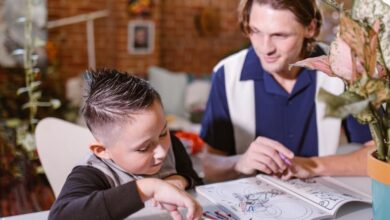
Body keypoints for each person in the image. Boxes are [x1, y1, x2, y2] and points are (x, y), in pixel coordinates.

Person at [200, 0, 374, 182]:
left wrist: (312, 165)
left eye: (280, 35)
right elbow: (210, 167)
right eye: (256, 31)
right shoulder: (227, 75)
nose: (265, 48)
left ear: (310, 28)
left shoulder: (342, 69)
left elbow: (381, 157)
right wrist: (240, 163)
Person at [49, 69, 203, 220]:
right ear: (102, 150)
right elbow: (60, 216)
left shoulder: (172, 145)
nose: (162, 152)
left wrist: (178, 180)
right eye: (143, 148)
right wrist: (150, 187)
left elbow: (194, 178)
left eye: (163, 133)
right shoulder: (93, 173)